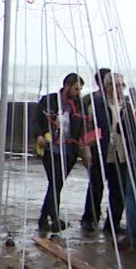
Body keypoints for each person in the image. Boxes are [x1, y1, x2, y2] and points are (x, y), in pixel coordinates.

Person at [29, 73, 91, 233]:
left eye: (80, 89)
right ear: (67, 86)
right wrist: (39, 135)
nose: (78, 92)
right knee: (55, 182)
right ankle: (54, 218)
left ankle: (44, 218)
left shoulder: (80, 105)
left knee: (56, 184)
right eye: (76, 89)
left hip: (70, 150)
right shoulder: (48, 100)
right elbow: (35, 120)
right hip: (50, 149)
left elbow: (83, 128)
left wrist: (85, 152)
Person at [92, 73, 136, 248]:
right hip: (121, 151)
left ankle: (133, 234)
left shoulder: (135, 98)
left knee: (130, 195)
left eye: (121, 85)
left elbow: (121, 127)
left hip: (134, 152)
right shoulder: (100, 103)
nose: (119, 89)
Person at [82, 68, 112, 232]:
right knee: (96, 184)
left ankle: (107, 219)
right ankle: (90, 217)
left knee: (112, 185)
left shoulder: (116, 100)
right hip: (96, 147)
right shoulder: (91, 100)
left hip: (112, 149)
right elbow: (85, 126)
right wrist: (85, 151)